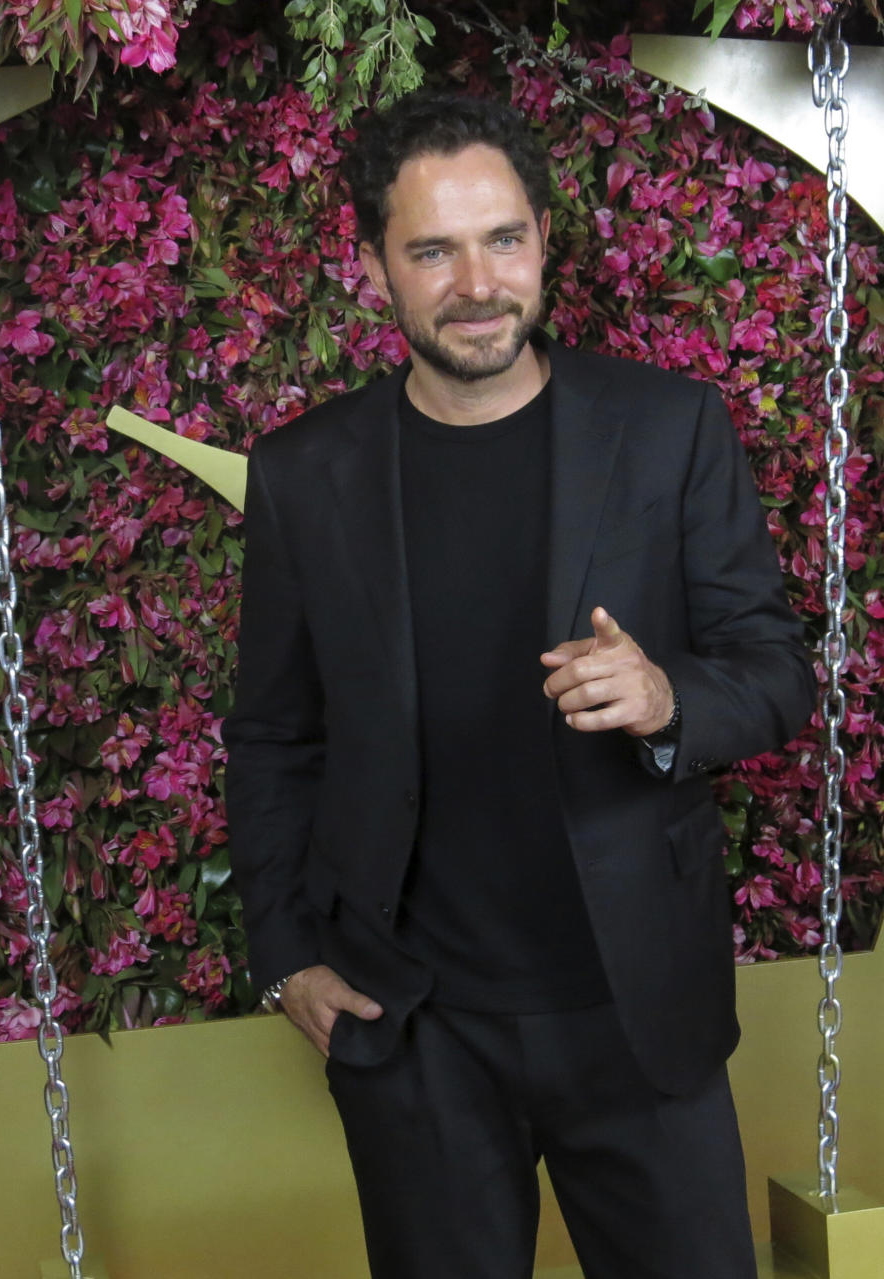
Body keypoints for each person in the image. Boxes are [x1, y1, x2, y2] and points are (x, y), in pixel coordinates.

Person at [223, 90, 815, 1279]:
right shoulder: (305, 475)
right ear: (378, 262)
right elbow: (275, 736)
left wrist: (666, 699)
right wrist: (286, 953)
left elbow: (776, 674)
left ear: (544, 238)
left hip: (635, 1008)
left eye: (502, 239)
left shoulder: (668, 430)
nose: (476, 282)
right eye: (432, 249)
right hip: (416, 1029)